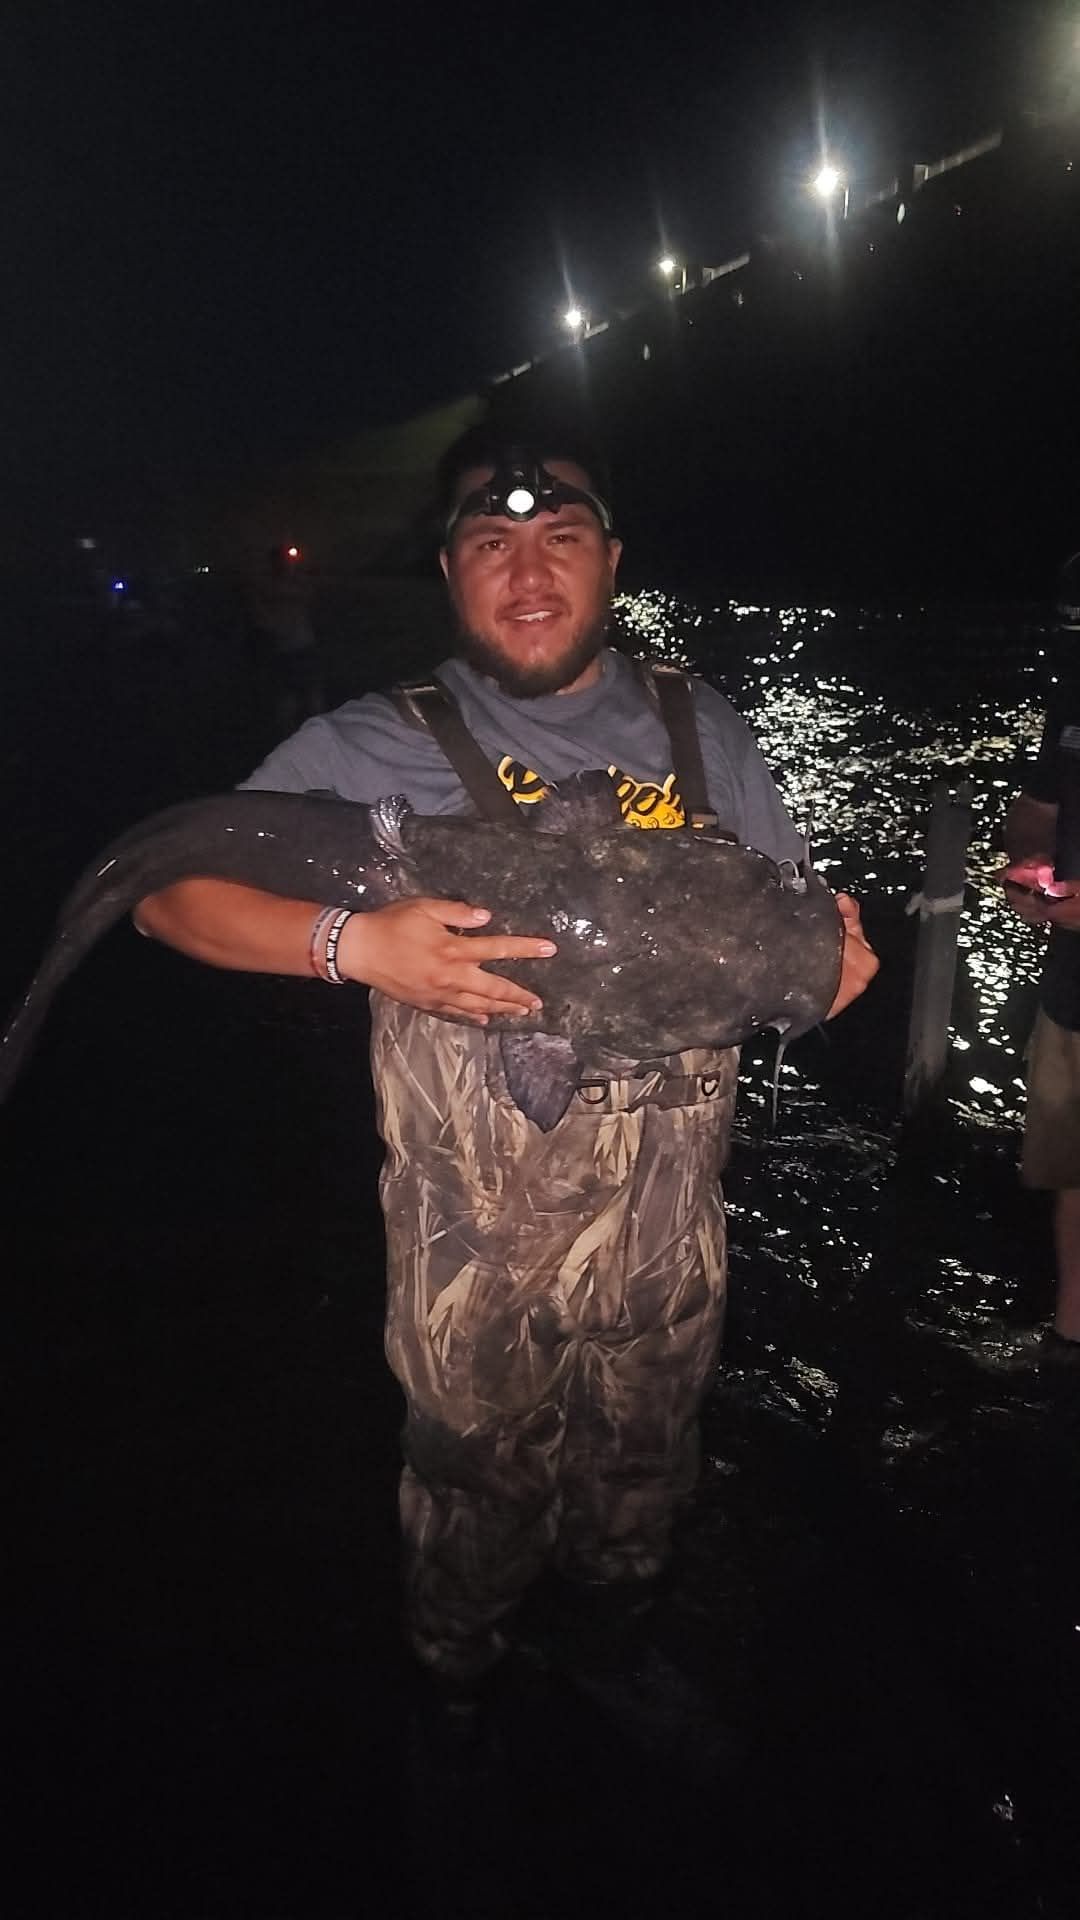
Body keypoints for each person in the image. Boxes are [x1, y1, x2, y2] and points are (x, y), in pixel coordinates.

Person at [135, 425, 877, 1722]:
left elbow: (796, 929)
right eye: (492, 542)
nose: (528, 571)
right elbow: (168, 899)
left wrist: (832, 969)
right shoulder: (371, 747)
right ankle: (457, 1689)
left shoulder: (707, 731)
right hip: (468, 1261)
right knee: (474, 1482)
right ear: (450, 571)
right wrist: (352, 941)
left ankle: (613, 1640)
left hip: (666, 1246)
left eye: (561, 537)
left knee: (645, 1465)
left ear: (612, 561)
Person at [1001, 551, 1080, 1363]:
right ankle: (1069, 1336)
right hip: (1073, 983)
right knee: (1070, 1162)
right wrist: (1025, 864)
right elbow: (1039, 806)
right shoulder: (1074, 683)